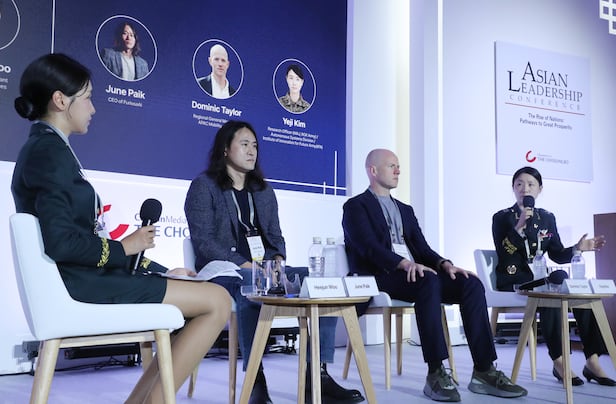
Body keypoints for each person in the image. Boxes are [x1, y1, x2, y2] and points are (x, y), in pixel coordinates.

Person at [11, 53, 231, 404]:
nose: (93, 108)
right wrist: (125, 247)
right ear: (60, 100)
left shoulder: (48, 149)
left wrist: (162, 271)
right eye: (87, 98)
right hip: (80, 284)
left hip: (86, 277)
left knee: (209, 297)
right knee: (217, 301)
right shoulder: (47, 153)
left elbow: (79, 239)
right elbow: (62, 243)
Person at [184, 120, 364, 404]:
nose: (251, 151)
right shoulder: (204, 186)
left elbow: (276, 237)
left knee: (318, 281)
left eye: (255, 145)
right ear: (225, 149)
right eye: (244, 144)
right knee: (250, 283)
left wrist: (277, 260)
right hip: (223, 271)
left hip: (267, 270)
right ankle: (255, 378)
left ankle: (318, 376)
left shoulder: (263, 191)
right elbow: (204, 243)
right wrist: (249, 266)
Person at [342, 148, 528, 402]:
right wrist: (404, 264)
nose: (398, 171)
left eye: (398, 166)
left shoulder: (405, 209)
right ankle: (436, 372)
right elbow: (368, 247)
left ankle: (484, 371)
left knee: (470, 283)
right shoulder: (355, 206)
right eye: (391, 166)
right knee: (427, 280)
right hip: (378, 276)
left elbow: (422, 248)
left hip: (411, 275)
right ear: (373, 171)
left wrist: (446, 264)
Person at [492, 166, 613, 387]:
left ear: (540, 189)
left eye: (531, 184)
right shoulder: (501, 217)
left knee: (577, 290)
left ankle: (593, 360)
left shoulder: (547, 218)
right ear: (513, 188)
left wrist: (578, 248)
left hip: (541, 279)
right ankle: (559, 361)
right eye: (519, 184)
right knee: (551, 289)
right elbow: (504, 252)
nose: (525, 188)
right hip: (514, 280)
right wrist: (519, 227)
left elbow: (556, 254)